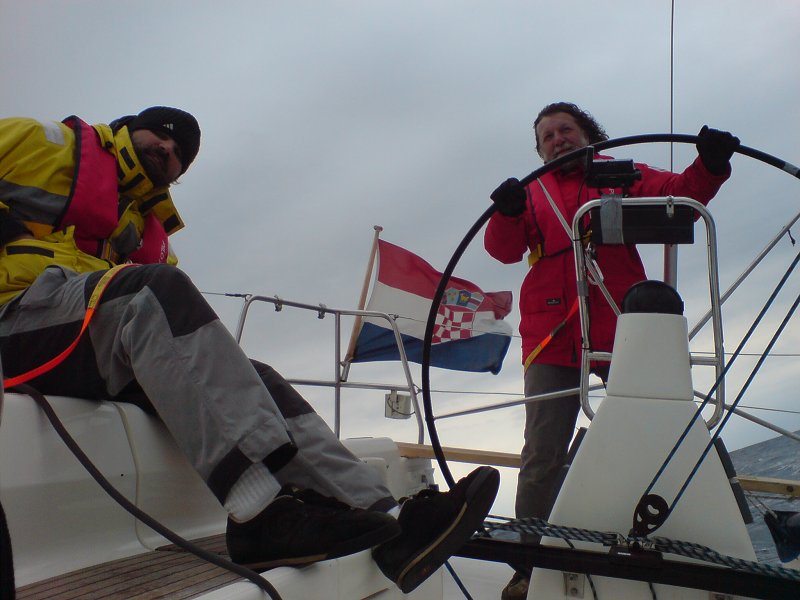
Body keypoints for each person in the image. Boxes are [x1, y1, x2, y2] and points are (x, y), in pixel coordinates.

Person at [0, 106, 500, 594]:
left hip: (87, 343)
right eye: (160, 134)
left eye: (180, 153)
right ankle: (256, 514)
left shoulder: (149, 232)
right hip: (16, 321)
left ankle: (391, 520)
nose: (168, 148)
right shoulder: (46, 144)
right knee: (156, 290)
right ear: (129, 129)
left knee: (256, 375)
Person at [485, 101, 739, 600]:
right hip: (552, 335)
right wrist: (507, 213)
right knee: (541, 454)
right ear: (539, 149)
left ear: (587, 134)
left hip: (622, 323)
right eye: (547, 136)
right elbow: (503, 249)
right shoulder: (531, 193)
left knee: (661, 430)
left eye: (565, 130)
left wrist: (710, 164)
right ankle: (529, 565)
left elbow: (682, 194)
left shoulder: (621, 174)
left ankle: (686, 541)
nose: (557, 140)